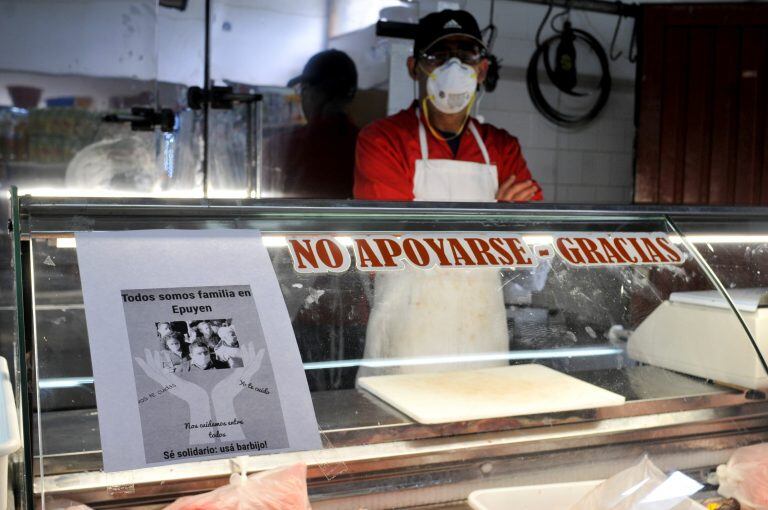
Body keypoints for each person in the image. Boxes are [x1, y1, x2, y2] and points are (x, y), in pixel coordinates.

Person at [354, 10, 542, 377]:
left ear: (482, 70)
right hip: (408, 331)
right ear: (414, 68)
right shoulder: (382, 140)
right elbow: (389, 240)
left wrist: (504, 224)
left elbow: (527, 241)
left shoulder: (501, 146)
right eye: (438, 55)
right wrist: (495, 216)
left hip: (481, 329)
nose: (454, 66)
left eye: (467, 55)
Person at [263, 49, 359, 198]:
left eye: (302, 90)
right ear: (350, 96)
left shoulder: (283, 146)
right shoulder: (368, 146)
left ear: (310, 92)